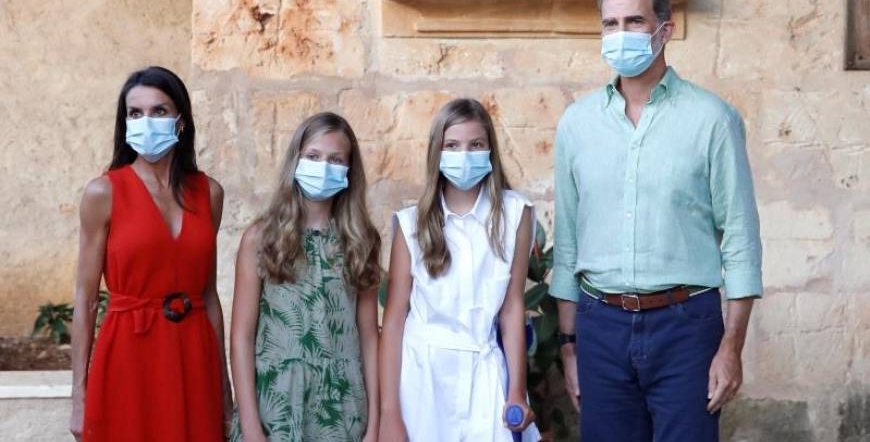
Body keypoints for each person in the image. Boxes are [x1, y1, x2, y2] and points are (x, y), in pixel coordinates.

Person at [551, 0, 763, 442]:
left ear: (664, 31)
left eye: (634, 21)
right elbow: (566, 242)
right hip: (601, 325)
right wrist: (569, 347)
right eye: (610, 23)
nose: (620, 33)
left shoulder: (713, 119)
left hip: (686, 326)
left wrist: (732, 346)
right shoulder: (577, 125)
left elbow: (741, 238)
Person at [70, 66, 231, 441]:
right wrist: (78, 395)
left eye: (159, 110)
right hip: (128, 351)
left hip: (194, 353)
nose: (146, 121)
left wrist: (224, 387)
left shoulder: (210, 193)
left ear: (181, 121)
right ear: (125, 123)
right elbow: (86, 297)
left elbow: (209, 295)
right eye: (135, 113)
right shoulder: (103, 193)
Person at [379, 98, 541, 442]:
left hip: (483, 369)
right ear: (436, 152)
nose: (464, 155)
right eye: (452, 145)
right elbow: (393, 320)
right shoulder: (411, 224)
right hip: (422, 378)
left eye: (476, 144)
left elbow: (512, 307)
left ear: (490, 151)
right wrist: (389, 412)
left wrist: (516, 390)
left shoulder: (515, 214)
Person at [229, 112, 382, 442]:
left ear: (349, 169)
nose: (323, 167)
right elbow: (242, 336)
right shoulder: (261, 238)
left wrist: (374, 426)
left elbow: (369, 336)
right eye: (313, 156)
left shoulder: (361, 241)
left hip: (342, 405)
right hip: (276, 405)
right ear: (296, 160)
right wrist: (251, 427)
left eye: (335, 159)